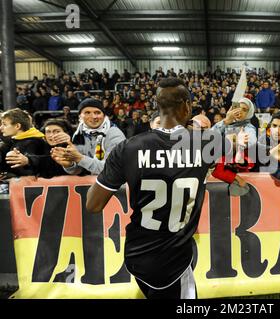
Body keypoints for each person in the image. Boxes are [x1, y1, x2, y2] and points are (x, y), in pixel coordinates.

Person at [86, 77, 223, 299]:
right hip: (173, 258)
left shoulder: (127, 148)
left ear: (157, 107)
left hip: (137, 252)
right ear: (187, 105)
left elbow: (93, 204)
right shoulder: (206, 143)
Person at [51, 98, 126, 175]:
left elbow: (112, 169)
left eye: (97, 112)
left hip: (118, 185)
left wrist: (79, 158)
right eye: (87, 113)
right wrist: (69, 164)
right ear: (80, 116)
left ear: (104, 115)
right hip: (95, 182)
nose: (93, 116)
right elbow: (79, 169)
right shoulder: (79, 134)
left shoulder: (114, 134)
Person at [4, 119, 73, 178]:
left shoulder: (74, 147)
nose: (52, 135)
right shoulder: (39, 145)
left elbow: (52, 162)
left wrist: (29, 160)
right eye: (48, 132)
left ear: (67, 133)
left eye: (57, 131)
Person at [0, 108, 47, 176]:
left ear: (17, 126)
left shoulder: (31, 143)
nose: (1, 127)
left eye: (5, 124)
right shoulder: (15, 141)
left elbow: (28, 172)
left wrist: (8, 175)